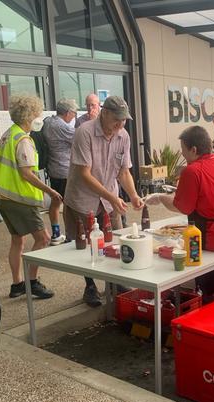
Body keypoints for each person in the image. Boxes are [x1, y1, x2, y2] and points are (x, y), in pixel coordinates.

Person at [145, 126, 214, 308]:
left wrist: (159, 197)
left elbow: (181, 206)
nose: (183, 156)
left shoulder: (192, 171)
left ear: (194, 149)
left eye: (184, 151)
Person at [64, 96, 143, 307]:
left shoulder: (123, 136)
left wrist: (133, 195)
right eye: (117, 119)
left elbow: (124, 171)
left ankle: (114, 283)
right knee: (85, 245)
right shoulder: (85, 132)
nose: (120, 124)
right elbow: (84, 174)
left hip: (109, 200)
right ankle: (89, 286)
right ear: (104, 113)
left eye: (124, 120)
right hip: (83, 198)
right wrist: (112, 197)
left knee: (113, 241)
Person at [0, 95, 60, 299]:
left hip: (4, 197)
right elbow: (26, 173)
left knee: (17, 240)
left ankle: (17, 283)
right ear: (30, 116)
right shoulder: (24, 140)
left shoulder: (8, 135)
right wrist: (50, 191)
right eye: (38, 114)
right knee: (43, 238)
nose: (39, 118)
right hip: (21, 199)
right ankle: (31, 282)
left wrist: (4, 176)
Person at [42, 98, 78, 241]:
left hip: (53, 168)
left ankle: (56, 233)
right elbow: (81, 139)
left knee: (56, 201)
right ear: (68, 112)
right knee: (70, 205)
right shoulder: (62, 126)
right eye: (74, 113)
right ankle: (72, 235)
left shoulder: (48, 122)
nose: (74, 117)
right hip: (65, 170)